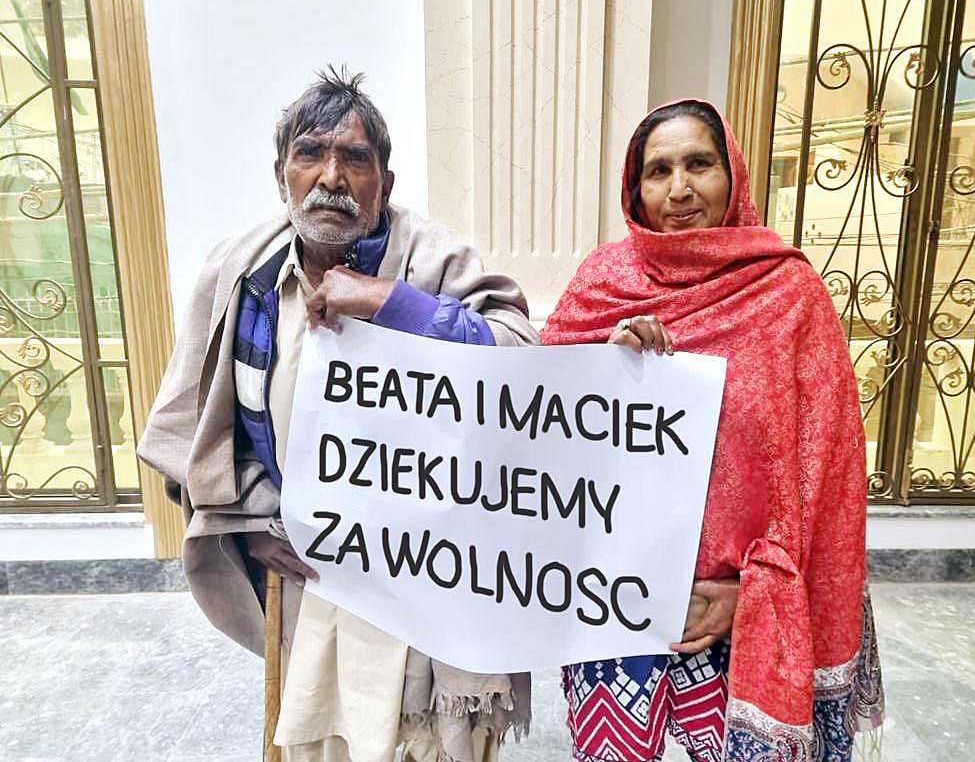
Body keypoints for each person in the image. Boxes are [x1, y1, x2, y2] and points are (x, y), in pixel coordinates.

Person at [137, 66, 535, 762]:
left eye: (355, 158)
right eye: (310, 154)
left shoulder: (435, 260)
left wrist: (388, 300)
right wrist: (250, 519)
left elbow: (521, 361)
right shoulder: (242, 276)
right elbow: (200, 429)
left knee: (429, 746)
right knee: (322, 741)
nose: (332, 176)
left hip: (429, 573)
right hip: (310, 575)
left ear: (384, 181)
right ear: (281, 175)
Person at [540, 99, 884, 762]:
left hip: (734, 611)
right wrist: (608, 370)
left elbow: (826, 471)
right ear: (634, 190)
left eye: (699, 164)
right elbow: (541, 428)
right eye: (658, 171)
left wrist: (750, 592)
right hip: (617, 594)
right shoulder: (602, 283)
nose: (680, 189)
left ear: (733, 174)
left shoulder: (787, 293)